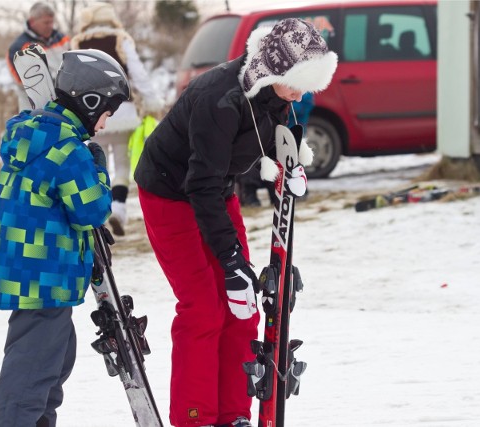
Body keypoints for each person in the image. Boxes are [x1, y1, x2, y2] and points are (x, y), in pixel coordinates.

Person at [134, 18, 337, 427]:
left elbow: (270, 134)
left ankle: (233, 414)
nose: (299, 94)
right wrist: (229, 262)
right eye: (296, 82)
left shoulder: (276, 91)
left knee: (242, 307)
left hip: (216, 190)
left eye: (306, 85)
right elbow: (200, 184)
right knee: (203, 307)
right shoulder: (219, 98)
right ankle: (195, 417)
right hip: (171, 192)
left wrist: (288, 163)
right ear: (275, 67)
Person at [0, 49, 130, 427]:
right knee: (29, 379)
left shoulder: (34, 135)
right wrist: (99, 170)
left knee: (52, 368)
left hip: (32, 273)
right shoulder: (66, 149)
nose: (103, 124)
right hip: (45, 278)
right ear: (90, 101)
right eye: (106, 113)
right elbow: (92, 210)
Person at [71, 2, 165, 236]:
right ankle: (119, 210)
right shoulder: (120, 39)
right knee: (122, 164)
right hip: (121, 110)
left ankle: (97, 214)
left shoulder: (78, 43)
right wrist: (153, 101)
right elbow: (138, 73)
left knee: (95, 163)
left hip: (90, 112)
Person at [237, 92, 315, 207]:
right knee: (266, 165)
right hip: (273, 134)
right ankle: (254, 194)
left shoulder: (300, 94)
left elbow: (304, 105)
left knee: (291, 165)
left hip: (291, 133)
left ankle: (293, 192)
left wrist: (283, 100)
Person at [7, 2, 70, 111]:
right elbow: (24, 81)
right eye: (46, 23)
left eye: (52, 22)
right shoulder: (18, 48)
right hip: (34, 113)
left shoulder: (63, 39)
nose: (50, 26)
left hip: (64, 108)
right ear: (32, 22)